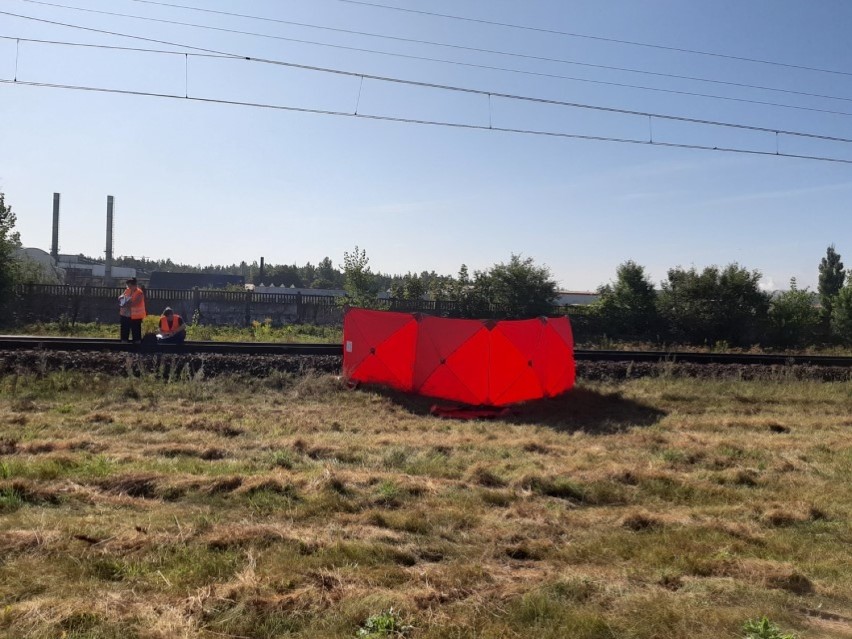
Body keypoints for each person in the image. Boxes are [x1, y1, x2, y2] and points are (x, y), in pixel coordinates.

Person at [119, 277, 146, 343]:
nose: (128, 287)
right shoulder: (127, 290)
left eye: (129, 285)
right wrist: (121, 299)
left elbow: (136, 303)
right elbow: (121, 296)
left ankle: (136, 342)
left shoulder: (139, 292)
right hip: (125, 313)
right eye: (127, 285)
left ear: (134, 285)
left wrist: (126, 304)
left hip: (135, 314)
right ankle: (124, 340)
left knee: (136, 329)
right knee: (125, 327)